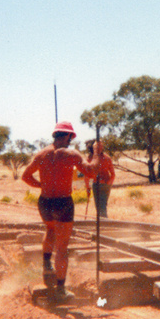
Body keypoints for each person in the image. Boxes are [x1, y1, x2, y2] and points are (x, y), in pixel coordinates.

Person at [22, 122, 101, 301]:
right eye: (71, 138)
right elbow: (91, 171)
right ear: (67, 136)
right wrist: (96, 152)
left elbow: (25, 176)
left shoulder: (42, 154)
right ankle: (60, 289)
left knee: (50, 230)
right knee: (62, 247)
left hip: (45, 202)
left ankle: (46, 264)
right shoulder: (71, 154)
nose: (70, 141)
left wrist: (42, 185)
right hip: (63, 203)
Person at [84, 139, 116, 218]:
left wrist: (88, 187)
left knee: (100, 208)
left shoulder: (91, 158)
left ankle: (104, 224)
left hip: (98, 185)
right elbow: (113, 175)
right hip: (105, 185)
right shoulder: (107, 158)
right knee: (102, 206)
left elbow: (86, 175)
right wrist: (109, 183)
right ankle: (103, 223)